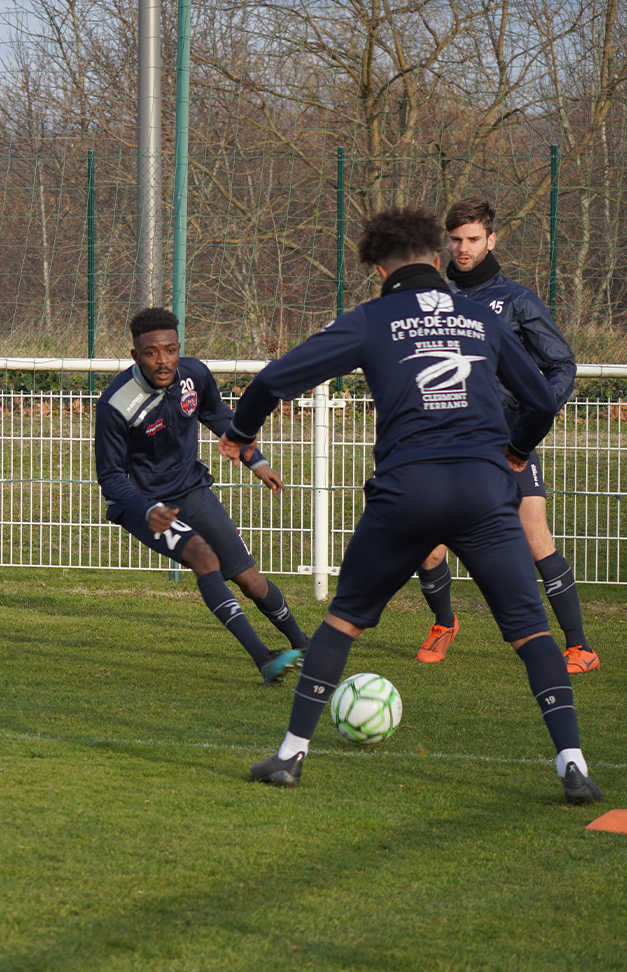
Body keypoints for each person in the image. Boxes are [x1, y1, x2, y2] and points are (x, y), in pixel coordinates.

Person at [221, 206, 601, 804]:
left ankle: (291, 755)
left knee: (344, 619)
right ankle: (573, 765)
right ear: (437, 254)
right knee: (529, 632)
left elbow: (272, 381)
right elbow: (541, 399)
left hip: (407, 491)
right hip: (483, 489)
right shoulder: (480, 317)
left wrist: (242, 435)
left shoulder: (372, 318)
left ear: (378, 268)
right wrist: (517, 452)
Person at [411, 197, 597, 674]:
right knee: (426, 542)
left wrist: (535, 419)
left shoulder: (516, 300)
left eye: (473, 239)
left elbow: (561, 363)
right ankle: (445, 622)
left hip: (507, 441)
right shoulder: (437, 300)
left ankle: (580, 647)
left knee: (535, 539)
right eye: (455, 240)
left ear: (491, 240)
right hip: (447, 439)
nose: (463, 248)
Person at [95, 307, 308, 683]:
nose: (163, 361)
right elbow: (110, 477)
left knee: (251, 582)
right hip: (142, 504)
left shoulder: (194, 374)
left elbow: (218, 415)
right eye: (151, 353)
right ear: (135, 355)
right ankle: (264, 659)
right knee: (201, 555)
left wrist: (254, 460)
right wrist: (146, 509)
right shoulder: (116, 405)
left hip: (192, 488)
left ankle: (307, 649)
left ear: (179, 348)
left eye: (170, 350)